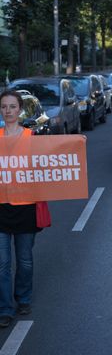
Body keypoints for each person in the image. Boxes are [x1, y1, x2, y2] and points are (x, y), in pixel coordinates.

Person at [0, 90, 43, 328]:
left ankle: (23, 298)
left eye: (12, 107)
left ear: (20, 110)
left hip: (26, 208)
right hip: (0, 208)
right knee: (2, 263)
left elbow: (54, 159)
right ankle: (5, 308)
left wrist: (76, 145)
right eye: (4, 107)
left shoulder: (32, 137)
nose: (8, 111)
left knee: (24, 260)